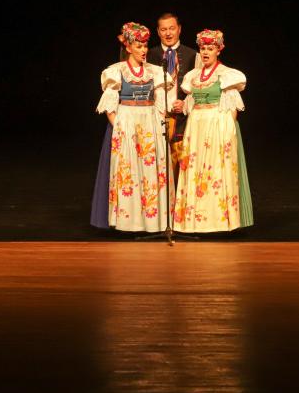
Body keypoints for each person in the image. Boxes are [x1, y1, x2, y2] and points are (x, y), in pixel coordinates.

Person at [92, 22, 171, 231]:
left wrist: (157, 125)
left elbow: (162, 104)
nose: (143, 50)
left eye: (145, 46)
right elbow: (110, 106)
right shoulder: (116, 71)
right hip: (126, 123)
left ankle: (152, 222)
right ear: (128, 47)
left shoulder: (154, 72)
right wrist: (120, 127)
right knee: (129, 173)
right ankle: (129, 221)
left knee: (149, 174)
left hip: (148, 124)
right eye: (139, 46)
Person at [173, 29, 253, 233]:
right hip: (196, 127)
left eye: (210, 48)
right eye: (203, 48)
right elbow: (191, 103)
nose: (206, 52)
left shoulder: (226, 75)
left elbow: (232, 108)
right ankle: (195, 222)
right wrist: (181, 106)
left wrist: (226, 135)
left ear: (219, 50)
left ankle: (217, 222)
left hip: (217, 125)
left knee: (215, 172)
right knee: (196, 171)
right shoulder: (193, 76)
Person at [146, 13, 201, 180]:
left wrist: (185, 103)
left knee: (183, 169)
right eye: (163, 29)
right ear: (158, 31)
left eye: (171, 28)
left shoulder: (193, 55)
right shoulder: (148, 55)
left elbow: (198, 87)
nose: (168, 33)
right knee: (159, 169)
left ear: (179, 29)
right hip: (157, 118)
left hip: (183, 121)